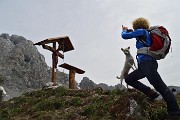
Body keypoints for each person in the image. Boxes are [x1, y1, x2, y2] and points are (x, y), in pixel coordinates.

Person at [121, 17, 180, 119]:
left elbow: (125, 36)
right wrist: (130, 30)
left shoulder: (142, 32)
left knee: (162, 88)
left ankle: (175, 113)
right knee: (129, 79)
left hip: (147, 64)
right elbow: (134, 34)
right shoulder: (144, 34)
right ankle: (151, 93)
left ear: (137, 26)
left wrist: (124, 31)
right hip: (145, 65)